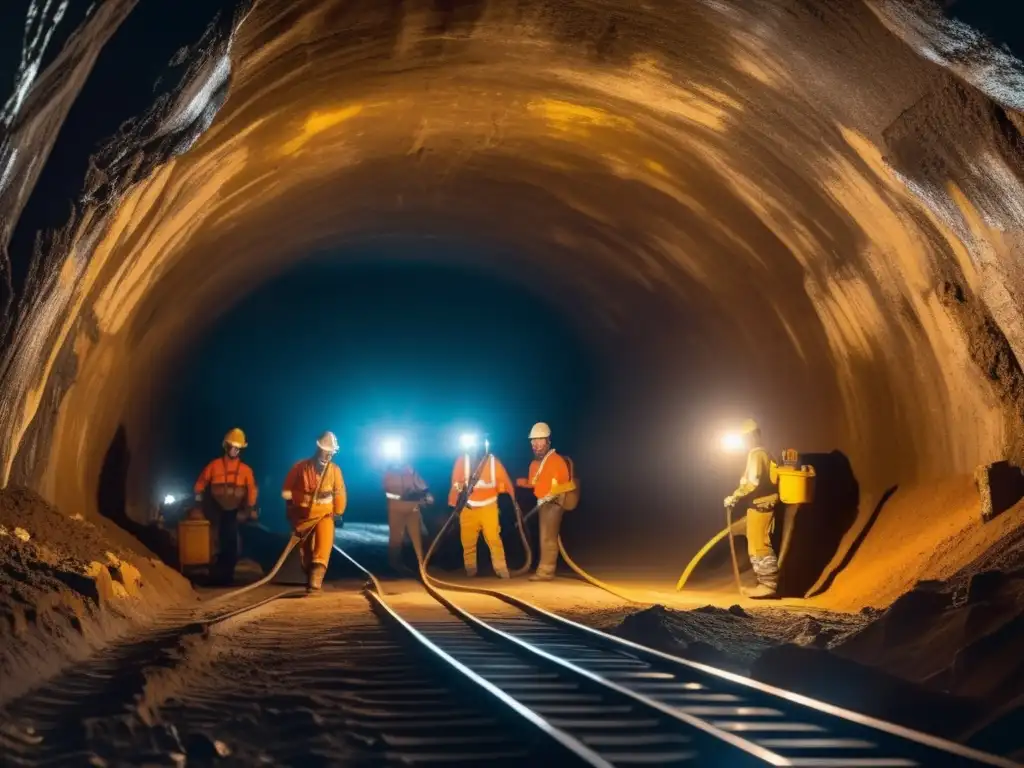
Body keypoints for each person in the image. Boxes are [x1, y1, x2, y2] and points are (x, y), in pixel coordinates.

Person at [282, 431, 347, 590]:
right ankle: (308, 570)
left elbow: (339, 492)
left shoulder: (334, 471)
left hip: (325, 513)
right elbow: (287, 491)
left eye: (331, 452)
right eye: (326, 451)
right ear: (318, 449)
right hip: (303, 516)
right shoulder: (300, 467)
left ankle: (316, 577)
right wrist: (293, 509)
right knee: (305, 551)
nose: (328, 455)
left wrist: (338, 511)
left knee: (323, 543)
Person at [194, 428, 258, 585]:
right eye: (231, 446)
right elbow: (201, 483)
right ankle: (215, 571)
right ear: (226, 446)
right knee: (215, 540)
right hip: (215, 509)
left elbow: (251, 490)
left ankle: (225, 574)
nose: (234, 450)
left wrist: (248, 509)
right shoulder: (214, 466)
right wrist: (198, 501)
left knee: (230, 542)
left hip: (234, 511)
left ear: (241, 449)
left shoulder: (245, 471)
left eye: (237, 448)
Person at [724, 418, 780, 599]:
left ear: (750, 437)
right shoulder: (765, 453)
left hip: (761, 505)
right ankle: (764, 583)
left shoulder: (756, 454)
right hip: (761, 504)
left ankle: (768, 585)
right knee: (757, 543)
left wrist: (735, 496)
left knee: (759, 544)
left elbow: (753, 481)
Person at [448, 438, 513, 578]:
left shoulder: (492, 462)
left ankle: (501, 569)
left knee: (494, 539)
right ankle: (470, 570)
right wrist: (454, 503)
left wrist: (513, 499)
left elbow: (506, 482)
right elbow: (455, 484)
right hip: (468, 507)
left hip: (488, 506)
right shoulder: (462, 462)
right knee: (467, 541)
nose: (474, 449)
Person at [516, 422, 572, 582]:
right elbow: (535, 483)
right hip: (542, 502)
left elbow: (567, 483)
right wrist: (523, 483)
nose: (536, 444)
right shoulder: (535, 464)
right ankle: (544, 569)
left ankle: (546, 572)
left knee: (548, 537)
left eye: (540, 440)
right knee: (544, 536)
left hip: (554, 502)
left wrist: (554, 493)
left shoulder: (557, 461)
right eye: (533, 441)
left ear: (548, 441)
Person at [383, 459, 432, 573]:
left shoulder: (411, 471)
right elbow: (387, 491)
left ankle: (421, 564)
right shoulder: (389, 474)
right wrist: (404, 496)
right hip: (396, 509)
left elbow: (422, 486)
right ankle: (394, 565)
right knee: (396, 537)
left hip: (412, 509)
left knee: (417, 537)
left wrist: (426, 496)